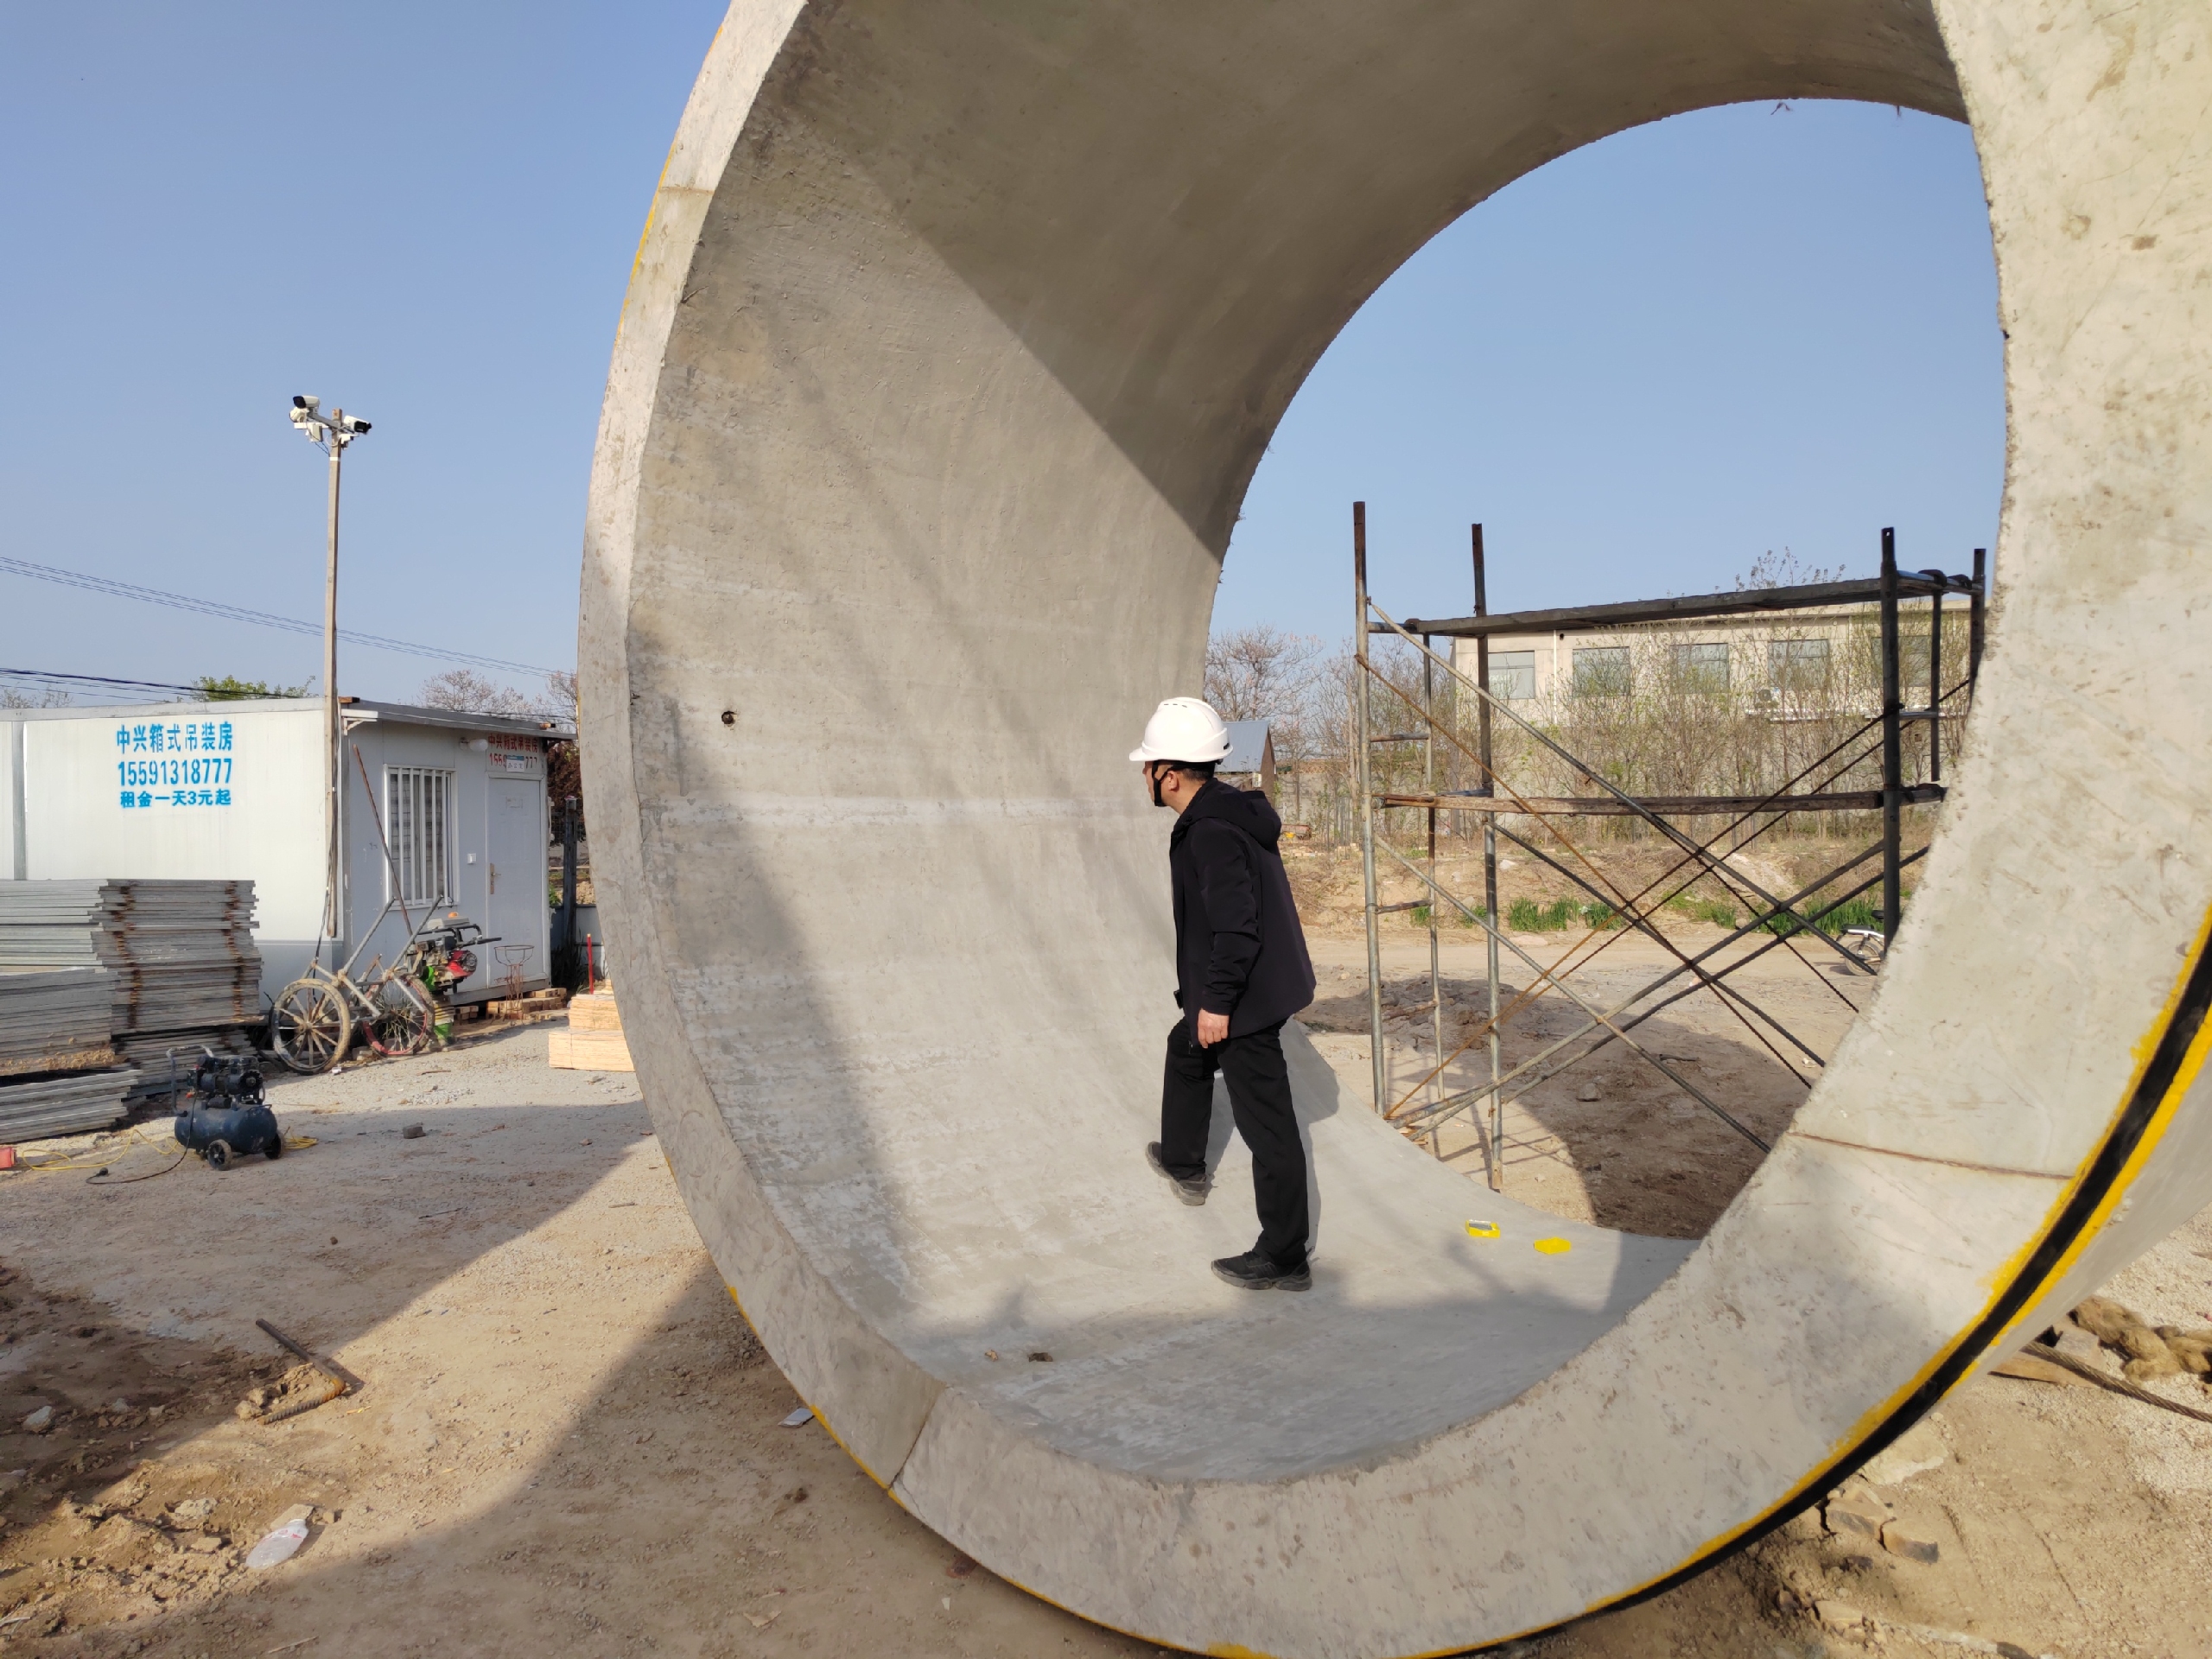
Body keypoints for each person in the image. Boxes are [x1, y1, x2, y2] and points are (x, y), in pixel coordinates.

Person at [1130, 696, 1318, 1291]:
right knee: (1185, 1047)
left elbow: (1237, 926)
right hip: (1244, 986)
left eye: (1148, 765)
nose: (1143, 776)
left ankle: (1285, 1256)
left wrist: (1217, 1004)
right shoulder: (1229, 813)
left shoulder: (1210, 832)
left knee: (1270, 1127)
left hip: (1248, 999)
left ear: (1171, 774)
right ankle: (1184, 1160)